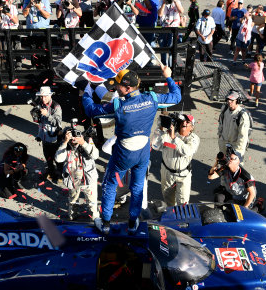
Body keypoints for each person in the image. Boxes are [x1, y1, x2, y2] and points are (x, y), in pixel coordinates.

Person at [83, 67, 181, 235]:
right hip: (143, 152)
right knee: (137, 187)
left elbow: (91, 110)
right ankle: (132, 223)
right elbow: (176, 97)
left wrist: (85, 92)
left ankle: (105, 224)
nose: (115, 88)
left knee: (110, 185)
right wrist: (169, 77)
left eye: (118, 86)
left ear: (128, 88)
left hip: (123, 155)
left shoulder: (118, 104)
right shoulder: (152, 98)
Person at [152, 114, 199, 206]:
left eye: (187, 122)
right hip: (167, 173)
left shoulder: (194, 139)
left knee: (183, 203)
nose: (184, 123)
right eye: (182, 121)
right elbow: (155, 146)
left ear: (192, 127)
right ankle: (171, 217)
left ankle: (182, 219)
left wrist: (174, 138)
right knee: (168, 201)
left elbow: (187, 151)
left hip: (183, 175)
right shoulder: (167, 135)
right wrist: (160, 128)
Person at [55, 127, 100, 220]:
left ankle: (95, 218)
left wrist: (83, 143)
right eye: (71, 137)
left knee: (92, 202)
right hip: (73, 179)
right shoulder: (65, 145)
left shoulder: (87, 141)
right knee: (73, 201)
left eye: (75, 136)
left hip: (88, 179)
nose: (74, 139)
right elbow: (58, 159)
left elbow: (95, 155)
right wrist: (65, 142)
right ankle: (72, 216)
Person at [31, 86, 63, 181]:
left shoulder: (56, 106)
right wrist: (35, 115)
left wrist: (47, 115)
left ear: (50, 96)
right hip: (44, 137)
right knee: (48, 157)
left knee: (57, 158)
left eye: (45, 96)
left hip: (54, 138)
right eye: (41, 97)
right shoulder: (40, 104)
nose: (43, 99)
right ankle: (51, 172)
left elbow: (57, 123)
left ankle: (60, 175)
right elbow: (40, 122)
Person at [217, 90, 252, 158]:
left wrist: (237, 152)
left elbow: (243, 137)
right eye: (228, 99)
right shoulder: (224, 109)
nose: (229, 101)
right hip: (223, 143)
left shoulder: (242, 115)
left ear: (237, 101)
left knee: (234, 167)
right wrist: (220, 136)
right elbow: (221, 123)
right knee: (222, 163)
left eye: (232, 100)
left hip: (235, 146)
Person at [158, 0, 184, 66]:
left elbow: (181, 11)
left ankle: (171, 66)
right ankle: (164, 66)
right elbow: (160, 14)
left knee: (171, 49)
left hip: (174, 29)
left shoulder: (177, 2)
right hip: (164, 28)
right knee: (162, 47)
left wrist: (174, 0)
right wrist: (163, 3)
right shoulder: (161, 2)